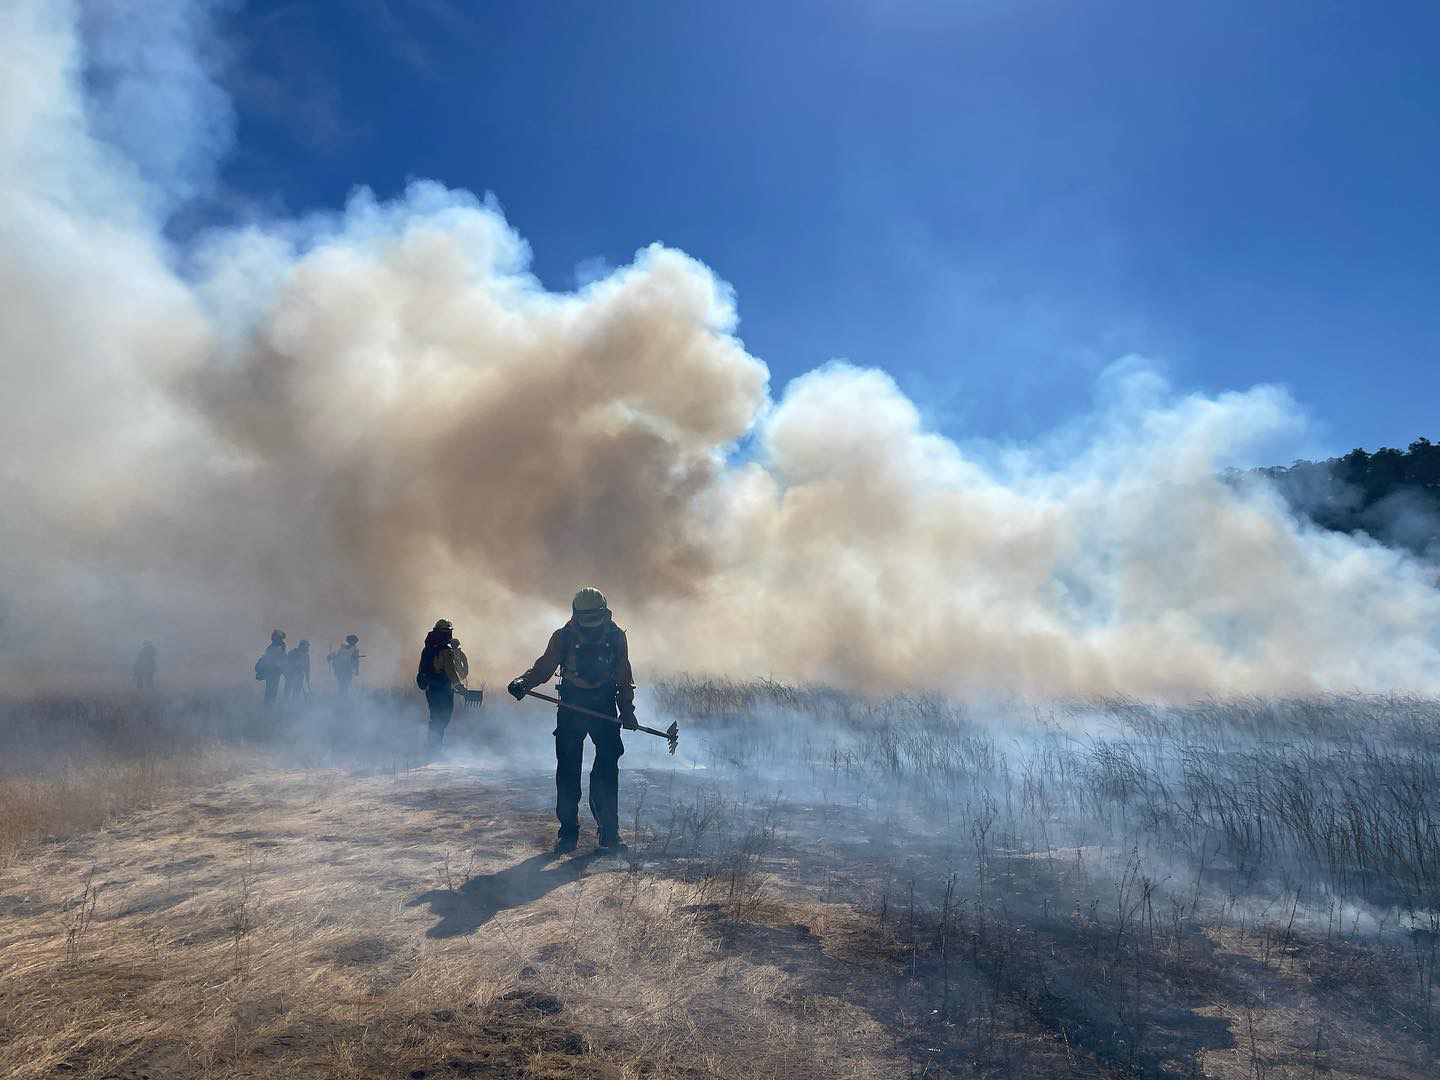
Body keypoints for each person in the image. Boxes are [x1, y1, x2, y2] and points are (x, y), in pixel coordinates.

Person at [508, 587, 638, 853]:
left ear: (605, 612)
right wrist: (524, 682)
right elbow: (545, 666)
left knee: (607, 771)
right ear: (575, 614)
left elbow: (624, 674)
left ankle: (609, 833)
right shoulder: (563, 637)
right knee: (568, 771)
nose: (591, 624)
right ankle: (568, 833)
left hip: (604, 705)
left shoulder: (616, 637)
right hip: (571, 705)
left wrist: (627, 711)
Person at [416, 619, 466, 756]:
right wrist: (460, 687)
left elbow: (420, 669)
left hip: (430, 689)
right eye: (449, 632)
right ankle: (433, 750)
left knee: (435, 718)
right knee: (443, 719)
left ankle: (431, 747)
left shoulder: (427, 649)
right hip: (443, 691)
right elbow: (451, 672)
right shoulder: (446, 651)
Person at [256, 630, 288, 706]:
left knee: (272, 691)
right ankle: (268, 707)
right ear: (276, 638)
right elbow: (276, 661)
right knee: (271, 691)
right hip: (272, 673)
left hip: (275, 673)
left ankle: (269, 706)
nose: (282, 641)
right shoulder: (272, 649)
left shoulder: (278, 647)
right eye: (280, 639)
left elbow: (283, 659)